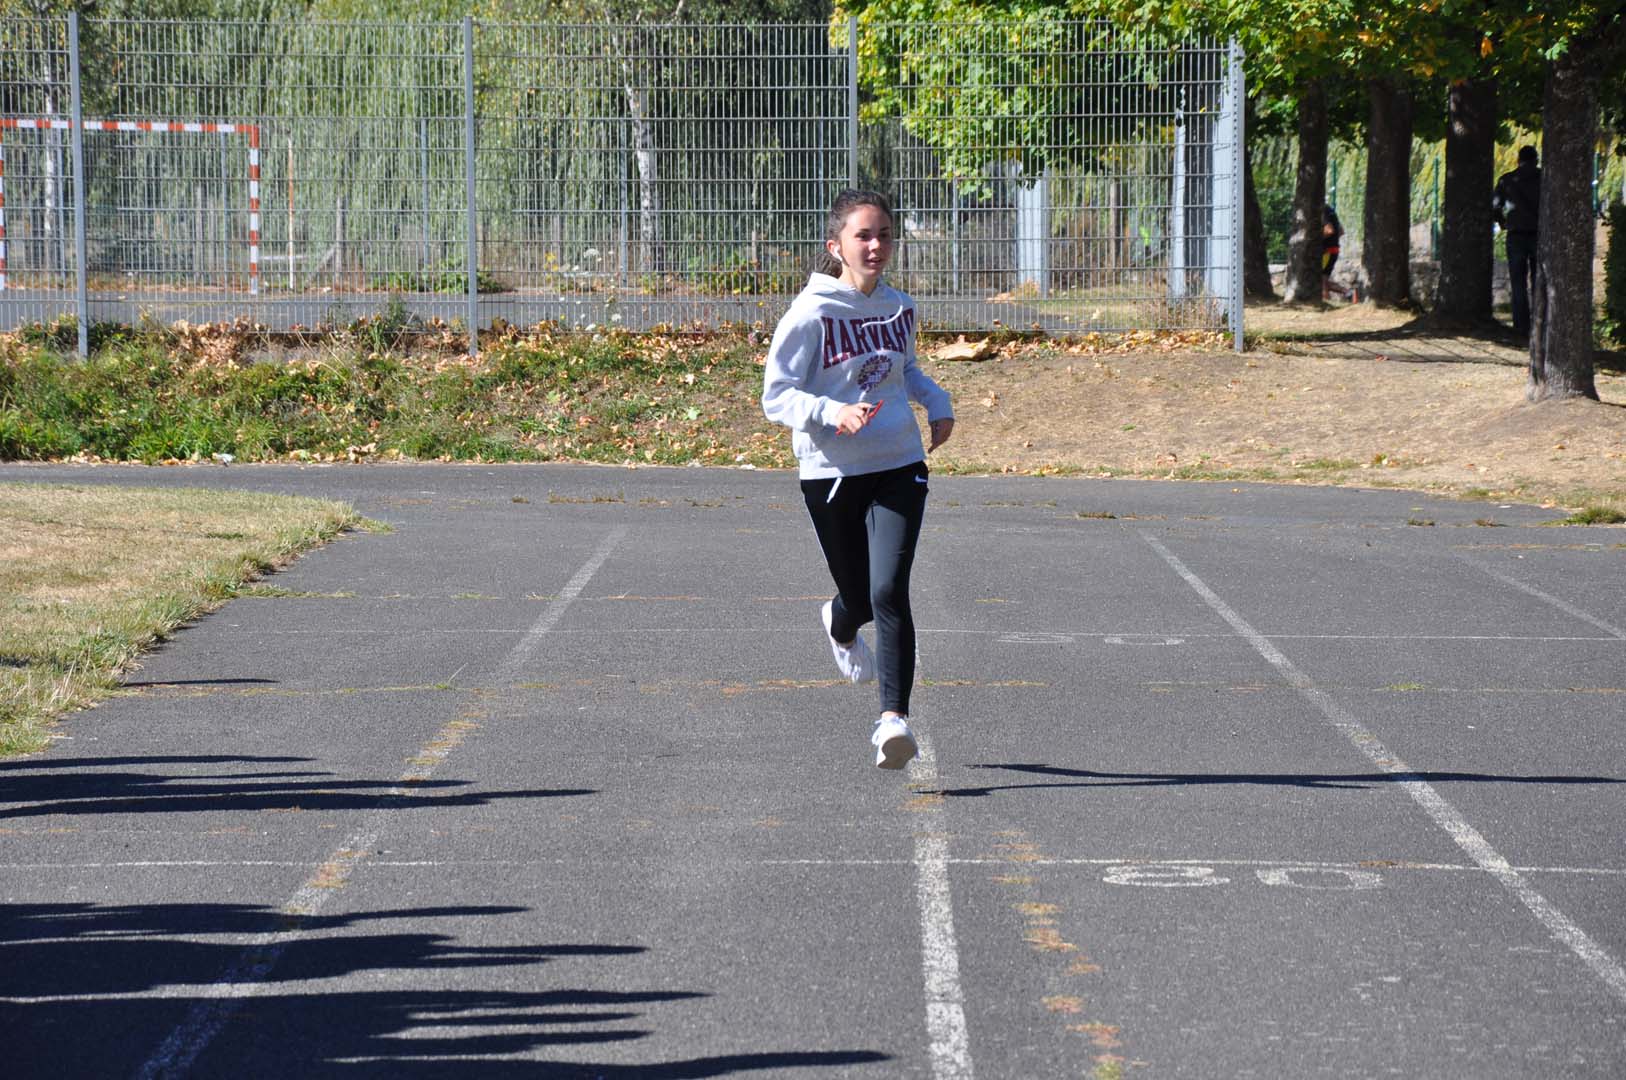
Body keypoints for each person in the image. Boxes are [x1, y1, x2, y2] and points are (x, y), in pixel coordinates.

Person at [761, 189, 955, 770]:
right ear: (836, 245)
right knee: (860, 601)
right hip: (833, 471)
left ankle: (892, 719)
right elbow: (776, 395)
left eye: (884, 235)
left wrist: (937, 402)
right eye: (863, 236)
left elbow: (907, 371)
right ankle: (839, 623)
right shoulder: (811, 312)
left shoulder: (899, 307)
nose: (876, 246)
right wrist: (831, 412)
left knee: (889, 590)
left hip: (898, 462)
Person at [1494, 145, 1541, 339]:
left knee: (1518, 282)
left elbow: (1495, 207)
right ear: (1536, 160)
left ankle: (1521, 326)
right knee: (1540, 282)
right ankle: (1541, 323)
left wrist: (1503, 222)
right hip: (1540, 234)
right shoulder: (1545, 178)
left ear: (1518, 159)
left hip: (1516, 234)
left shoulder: (1506, 180)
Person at [1321, 203, 1351, 300]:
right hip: (1333, 250)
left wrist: (1314, 241)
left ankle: (1325, 310)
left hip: (1327, 252)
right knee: (1319, 280)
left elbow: (1329, 230)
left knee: (1322, 281)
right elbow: (1341, 231)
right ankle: (1348, 292)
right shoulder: (1331, 211)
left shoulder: (1322, 209)